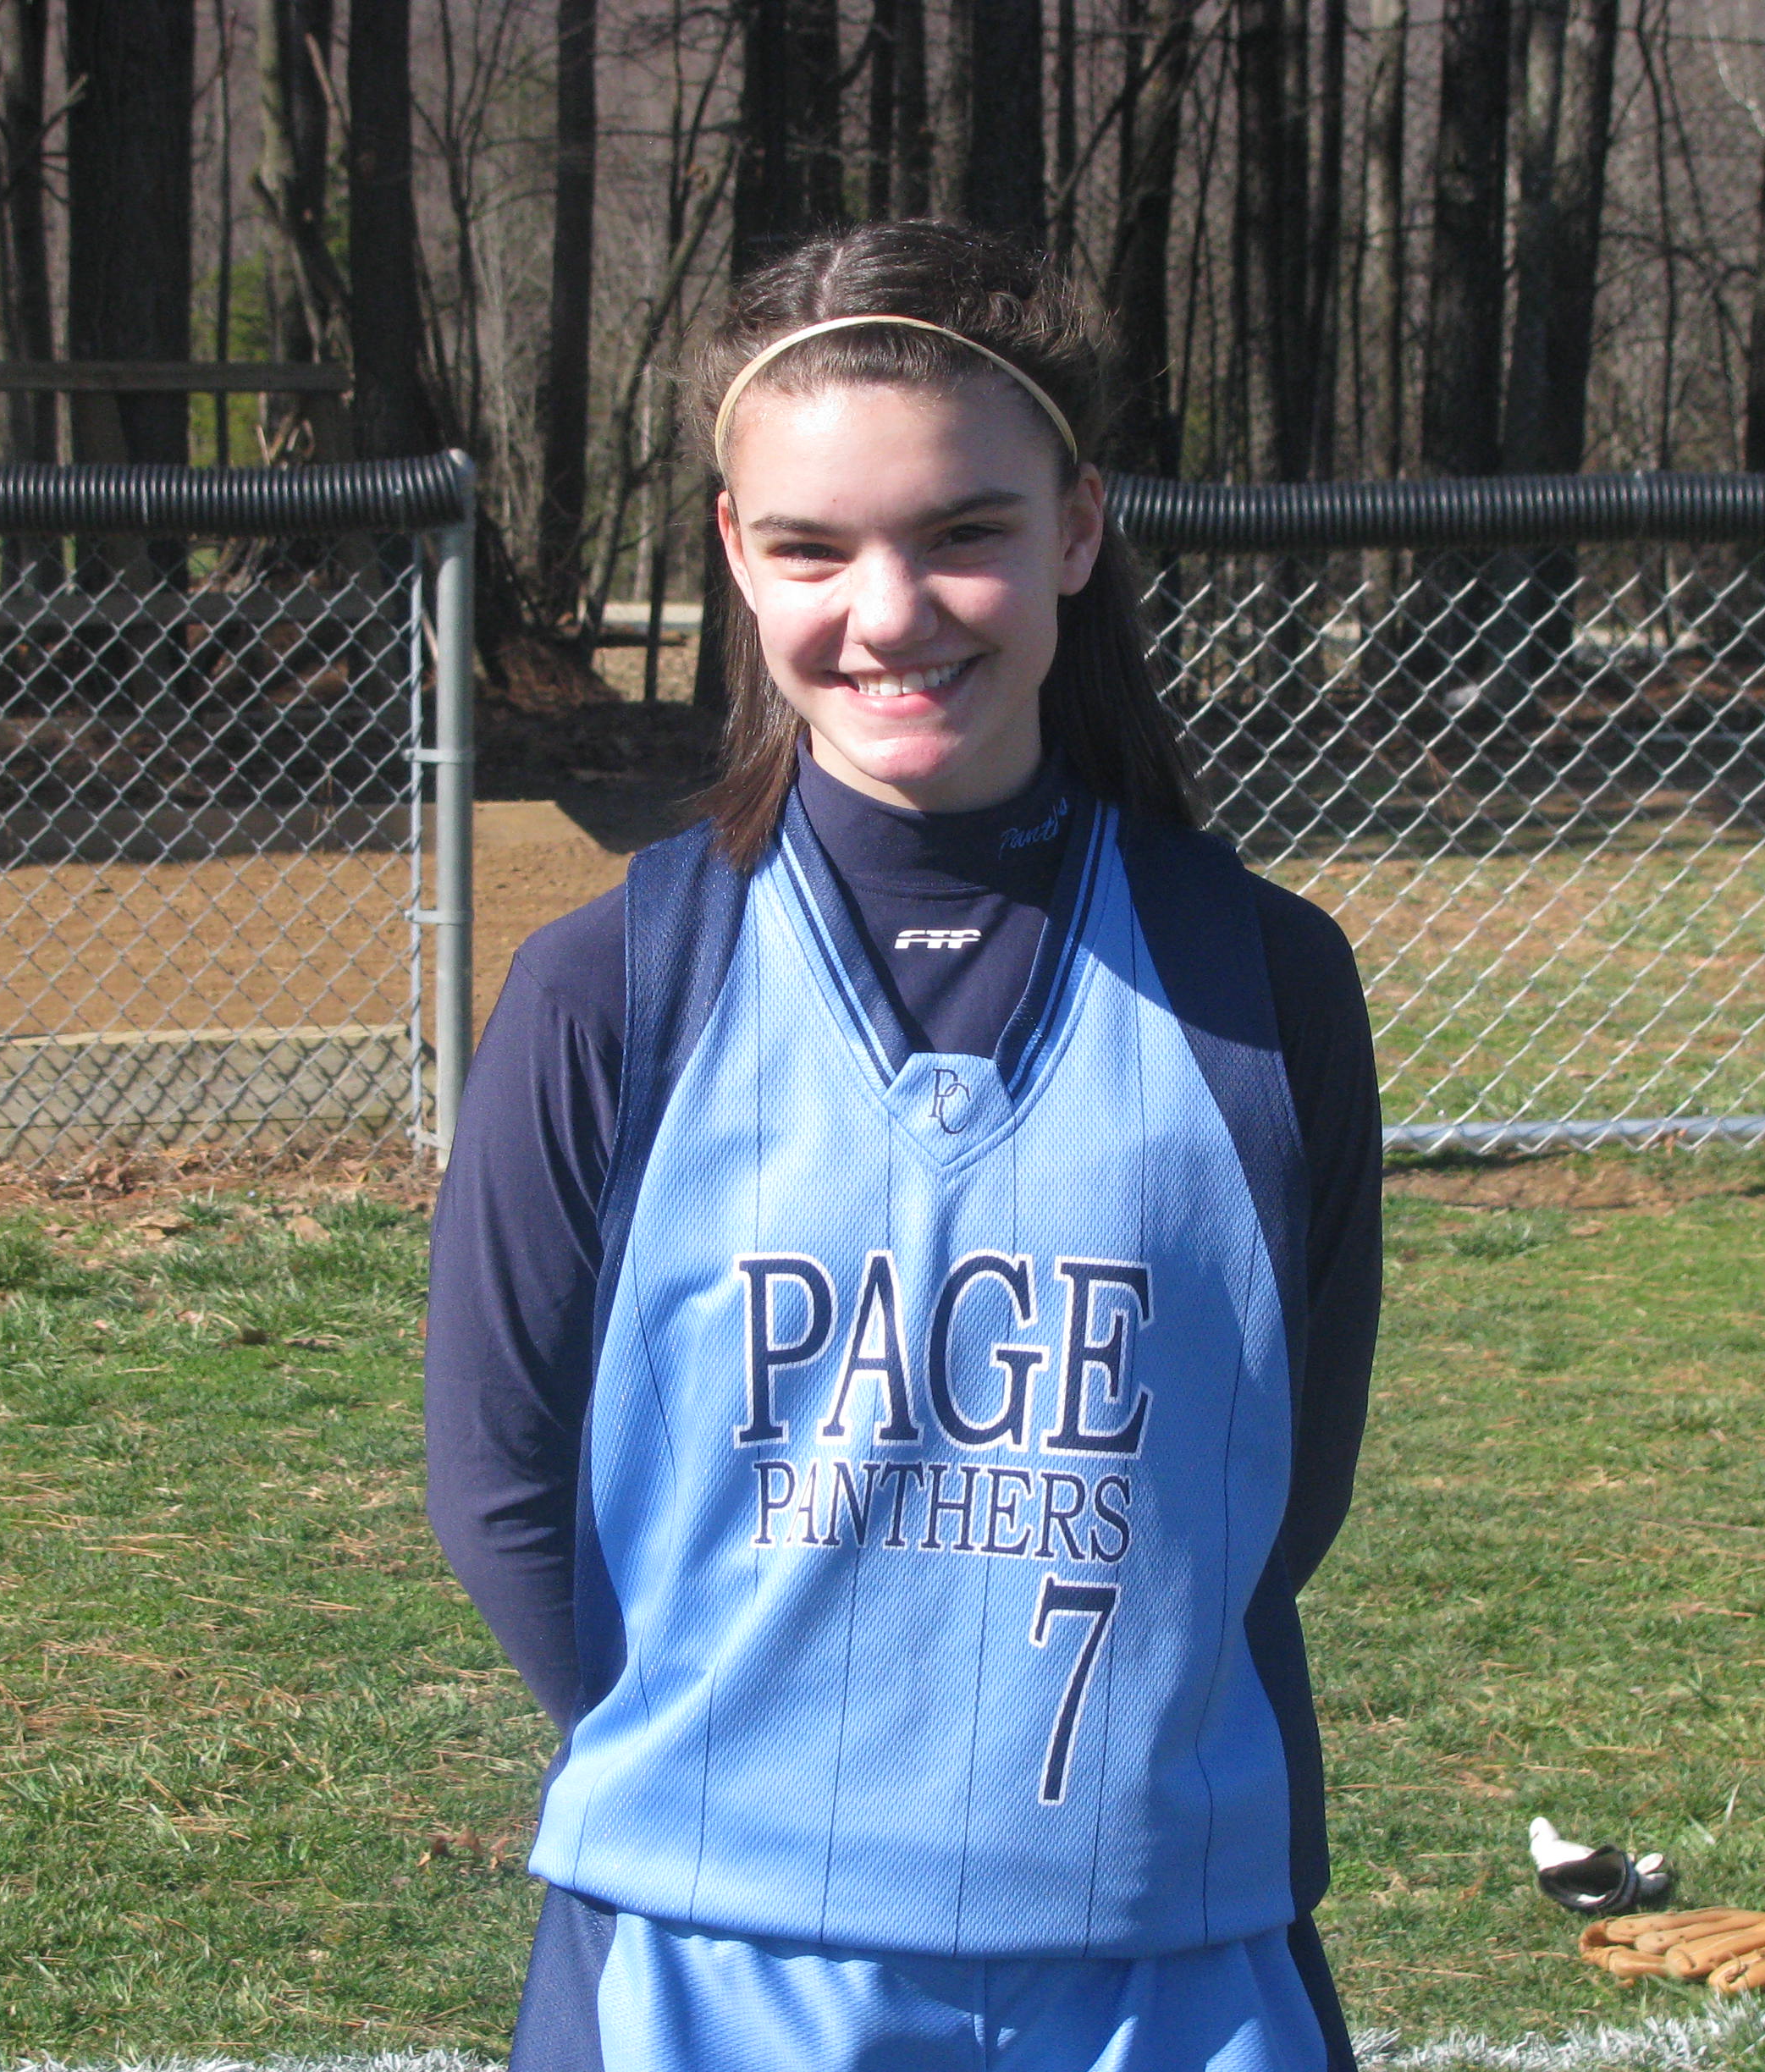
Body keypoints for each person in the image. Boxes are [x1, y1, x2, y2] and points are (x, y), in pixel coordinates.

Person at [426, 219, 1382, 2072]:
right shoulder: (608, 988)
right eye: (813, 547)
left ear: (1077, 531)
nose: (889, 612)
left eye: (962, 533)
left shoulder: (1260, 983)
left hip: (1167, 1958)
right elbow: (502, 1488)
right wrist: (741, 1773)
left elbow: (1282, 1487)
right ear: (734, 552)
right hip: (705, 1961)